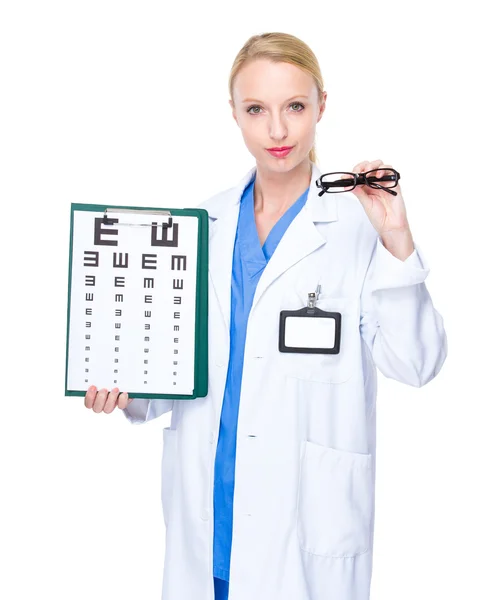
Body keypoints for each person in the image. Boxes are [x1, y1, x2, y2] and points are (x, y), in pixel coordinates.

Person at [84, 32, 447, 600]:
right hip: (209, 519)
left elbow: (416, 362)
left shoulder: (357, 227)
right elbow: (181, 367)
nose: (277, 131)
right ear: (234, 114)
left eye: (294, 108)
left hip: (306, 531)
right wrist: (129, 392)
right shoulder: (199, 224)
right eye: (256, 110)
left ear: (322, 106)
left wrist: (398, 237)